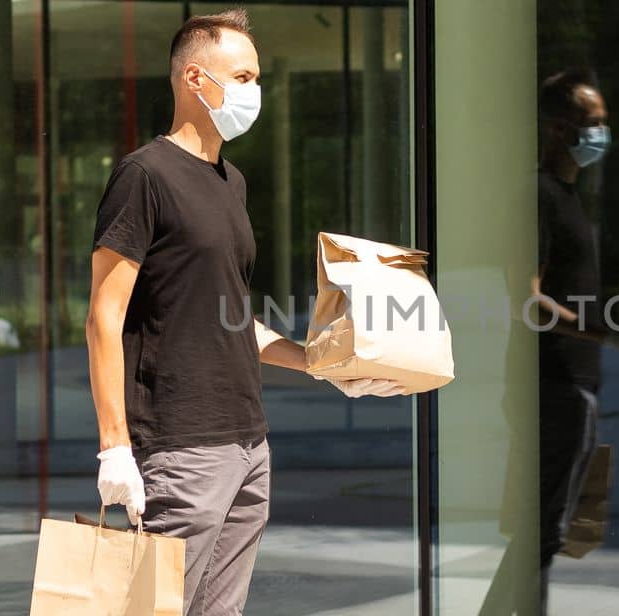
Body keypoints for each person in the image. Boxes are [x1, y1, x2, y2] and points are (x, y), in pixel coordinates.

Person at [84, 10, 404, 616]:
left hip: (248, 442)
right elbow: (104, 315)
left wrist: (322, 365)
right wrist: (114, 448)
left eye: (258, 77)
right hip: (180, 446)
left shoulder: (231, 182)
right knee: (153, 610)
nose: (255, 91)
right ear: (195, 79)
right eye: (245, 75)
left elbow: (232, 319)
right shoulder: (143, 176)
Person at [482, 69, 610, 616]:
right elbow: (527, 300)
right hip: (551, 383)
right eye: (592, 123)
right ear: (559, 128)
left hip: (566, 382)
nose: (601, 133)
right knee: (543, 530)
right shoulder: (537, 194)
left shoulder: (567, 198)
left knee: (540, 529)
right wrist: (604, 330)